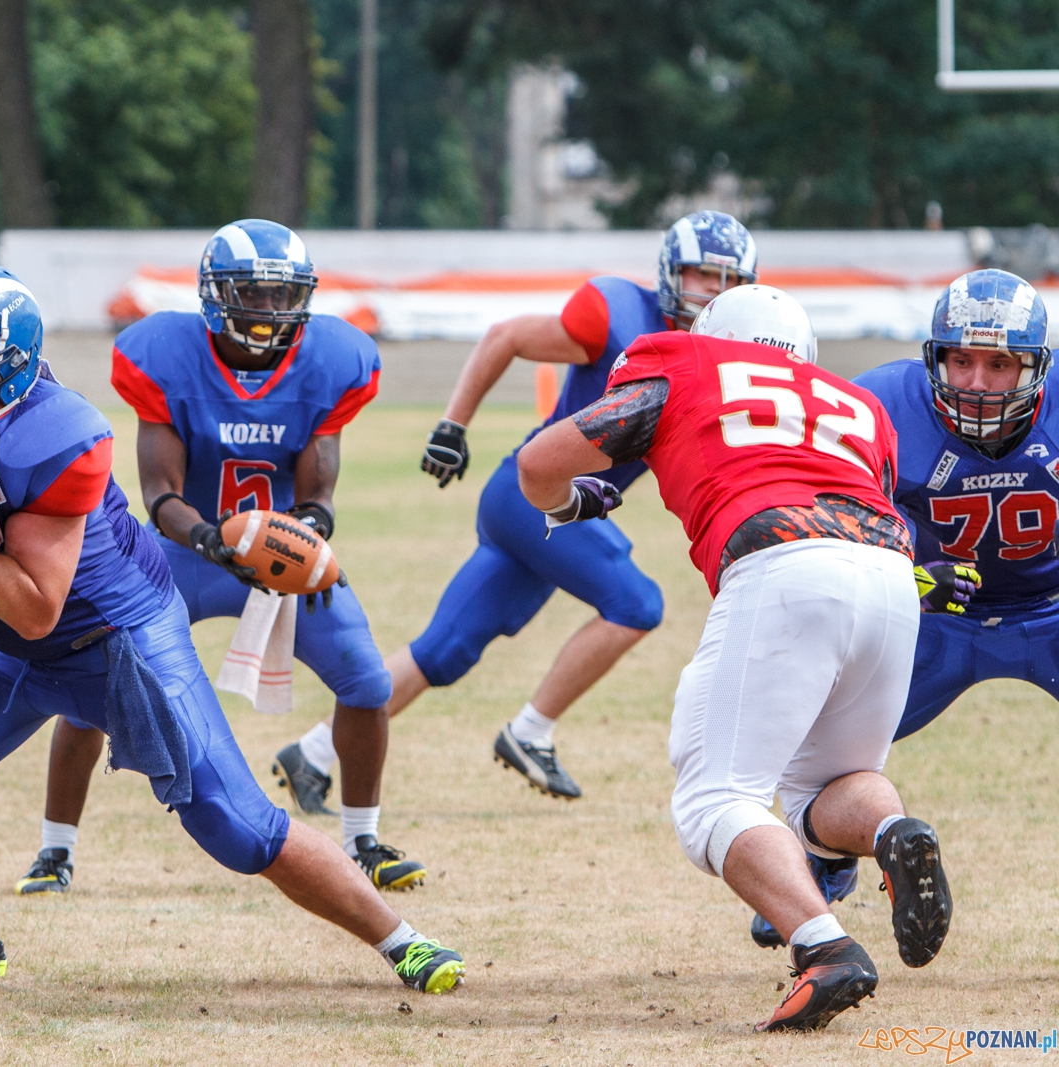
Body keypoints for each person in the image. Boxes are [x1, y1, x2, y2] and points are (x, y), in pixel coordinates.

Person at [0, 263, 465, 996]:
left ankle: (402, 939)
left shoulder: (56, 433)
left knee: (240, 828)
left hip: (114, 642)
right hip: (6, 645)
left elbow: (36, 602)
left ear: (10, 368)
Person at [516, 285, 951, 1031]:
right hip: (887, 576)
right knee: (822, 791)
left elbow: (539, 461)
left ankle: (825, 947)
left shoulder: (684, 360)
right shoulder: (857, 405)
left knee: (712, 799)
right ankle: (889, 832)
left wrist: (566, 504)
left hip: (783, 562)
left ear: (715, 334)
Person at [276, 211, 754, 804]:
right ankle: (531, 733)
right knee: (637, 603)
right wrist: (454, 425)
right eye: (701, 274)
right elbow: (506, 335)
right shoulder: (616, 314)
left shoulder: (722, 354)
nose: (714, 291)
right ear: (669, 271)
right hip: (533, 497)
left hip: (557, 509)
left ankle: (312, 753)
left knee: (441, 652)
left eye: (729, 281)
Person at [12, 218, 422, 897]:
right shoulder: (167, 355)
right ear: (213, 295)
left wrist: (308, 535)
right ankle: (56, 850)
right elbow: (160, 494)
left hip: (280, 551)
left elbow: (318, 488)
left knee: (367, 683)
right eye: (252, 295)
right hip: (185, 552)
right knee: (92, 684)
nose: (267, 311)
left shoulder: (330, 360)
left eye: (281, 296)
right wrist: (215, 541)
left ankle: (363, 839)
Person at [746, 268, 1046, 949]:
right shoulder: (877, 403)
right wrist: (907, 576)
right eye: (961, 359)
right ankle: (822, 867)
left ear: (1035, 367)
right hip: (932, 613)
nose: (976, 381)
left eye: (999, 363)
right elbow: (823, 514)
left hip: (1049, 605)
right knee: (816, 759)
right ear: (932, 358)